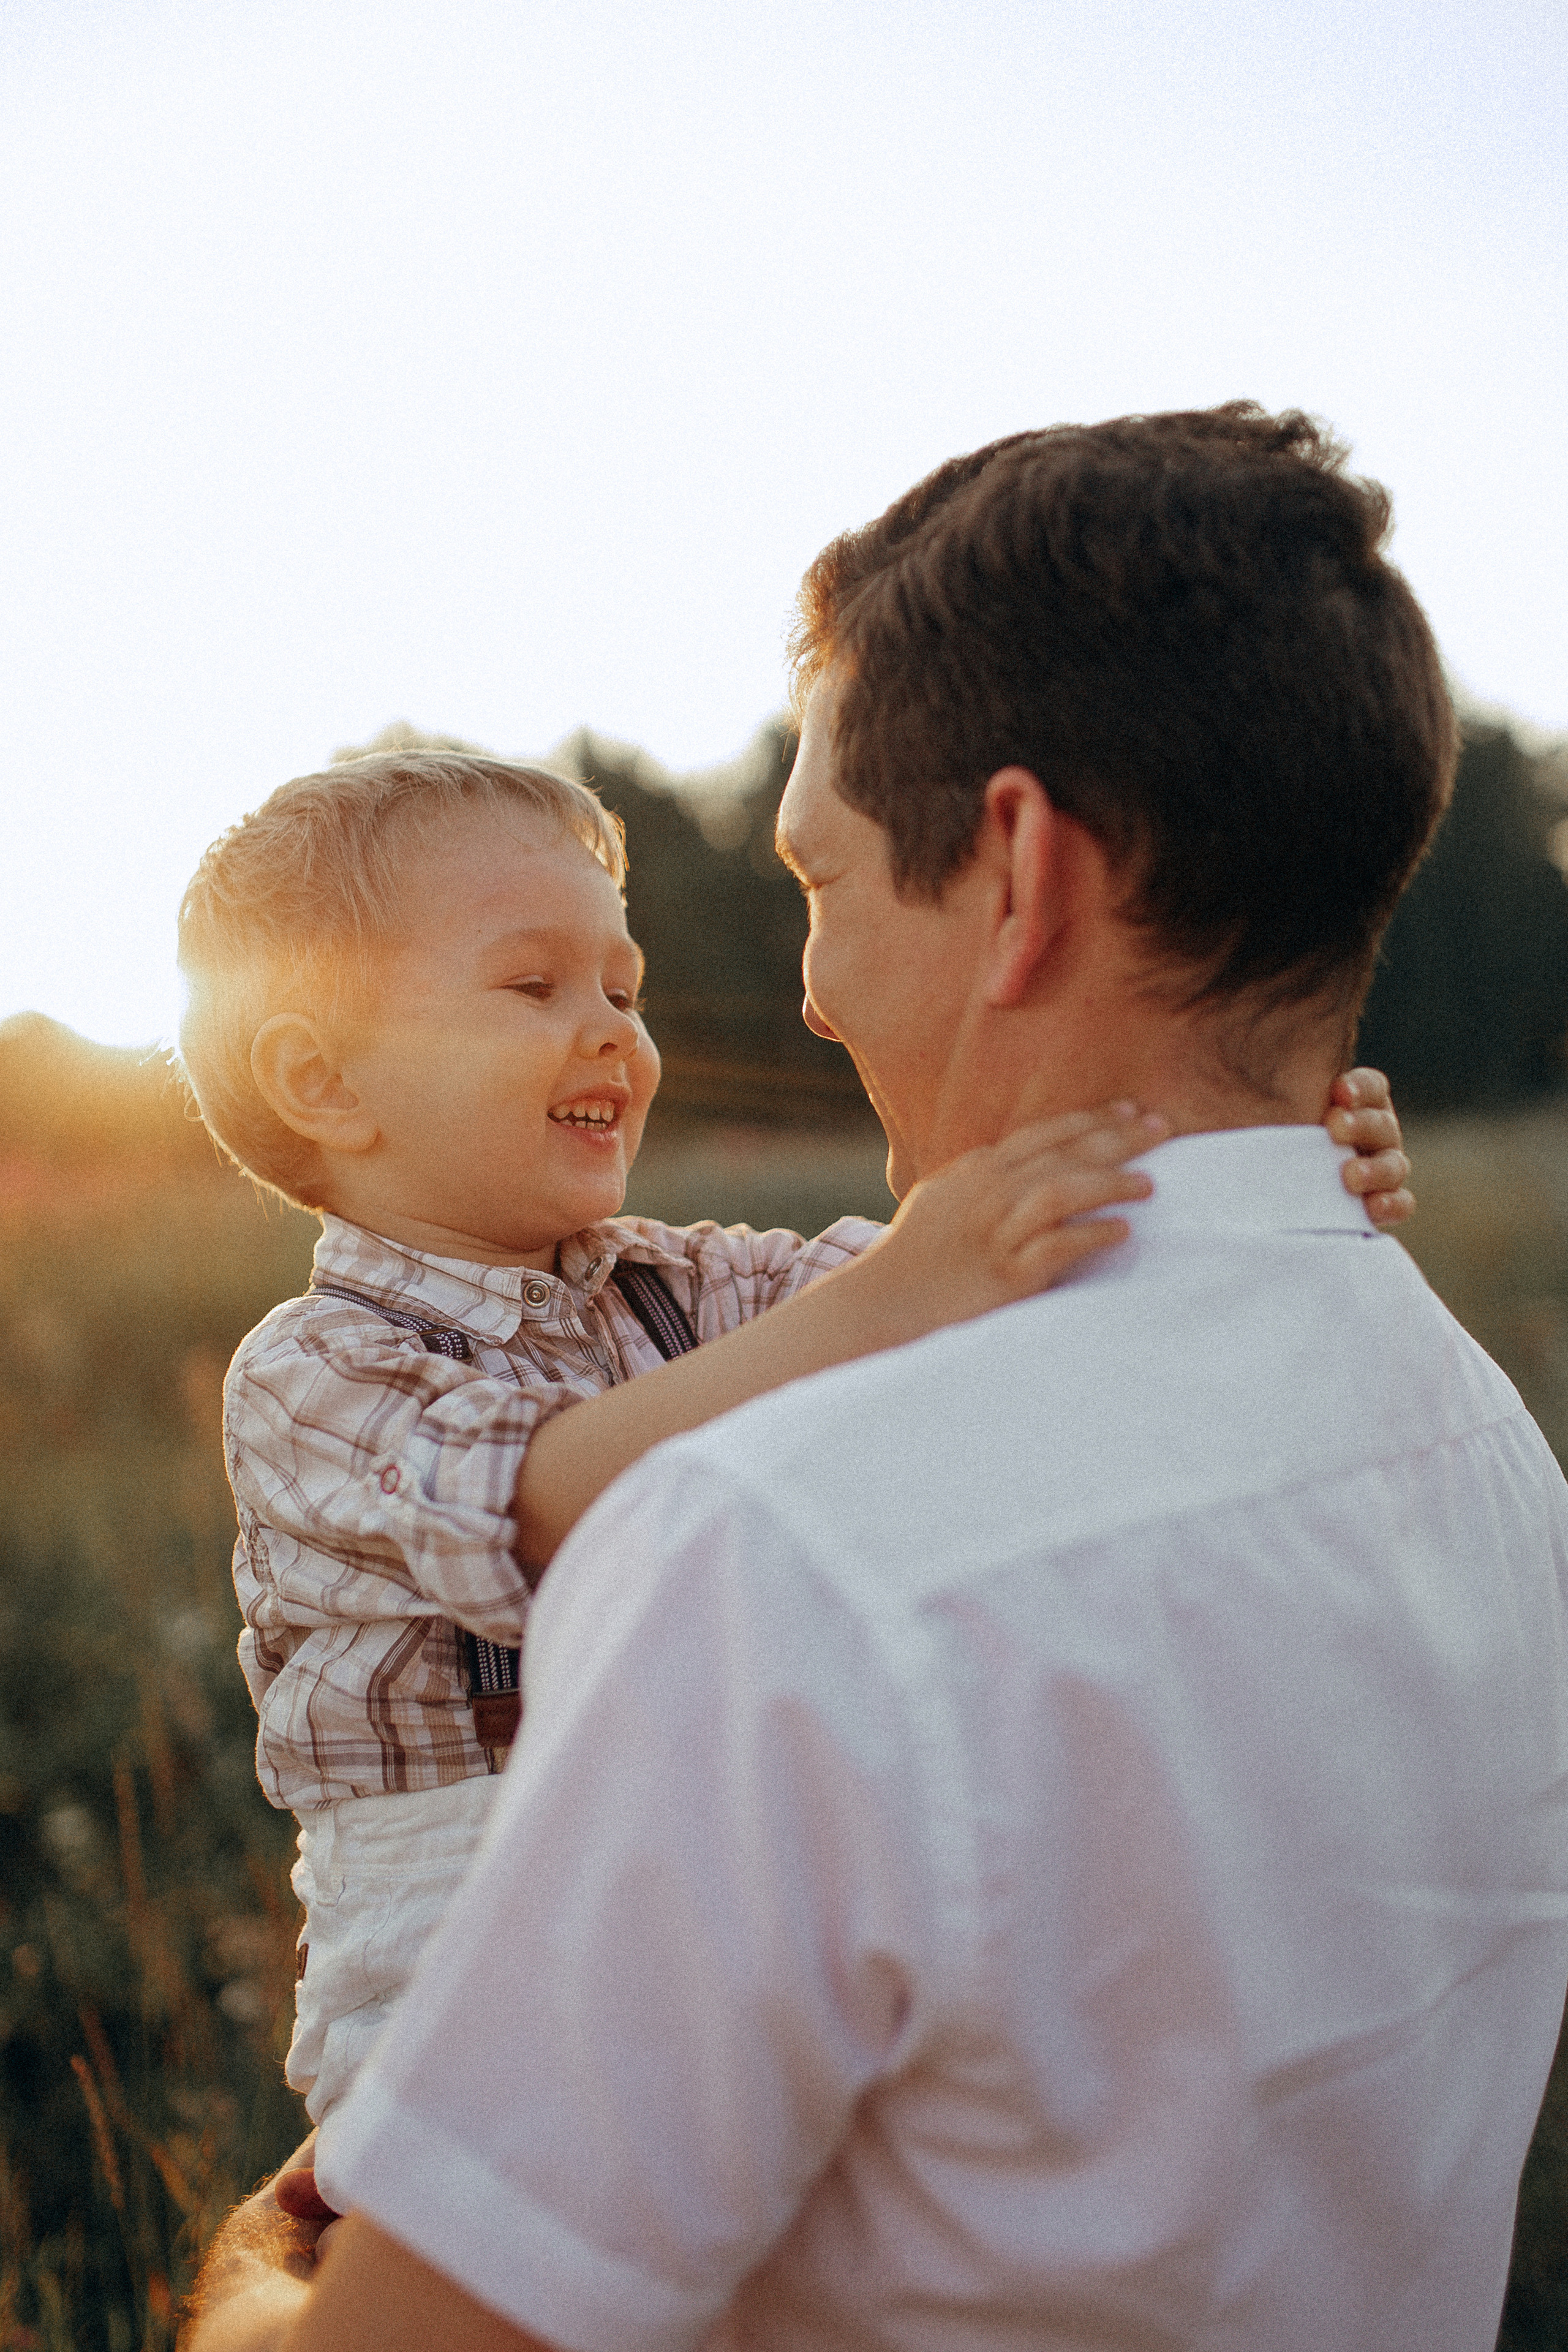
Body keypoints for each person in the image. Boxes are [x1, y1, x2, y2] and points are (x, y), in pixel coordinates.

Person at [188, 402, 1550, 2352]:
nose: (791, 995)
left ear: (1021, 872)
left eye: (813, 890)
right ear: (321, 1078)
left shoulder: (780, 1560)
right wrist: (1277, 1170)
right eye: (533, 988)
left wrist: (251, 2286)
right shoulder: (1481, 1440)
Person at [183, 748, 1401, 2126]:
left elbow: (984, 1272)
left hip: (702, 1880)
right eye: (533, 986)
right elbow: (541, 1500)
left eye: (624, 990)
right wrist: (897, 1289)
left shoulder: (685, 1282)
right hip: (451, 1952)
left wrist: (1248, 1147)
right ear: (325, 1084)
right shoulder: (311, 1371)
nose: (611, 1032)